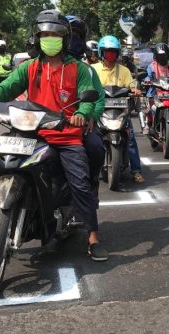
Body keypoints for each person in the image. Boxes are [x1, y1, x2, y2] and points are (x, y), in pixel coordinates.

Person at [0, 9, 108, 261]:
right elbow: (8, 86)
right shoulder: (30, 68)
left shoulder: (78, 69)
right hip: (33, 133)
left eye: (55, 34)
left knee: (80, 183)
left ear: (64, 39)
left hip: (66, 136)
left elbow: (89, 96)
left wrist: (82, 113)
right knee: (4, 161)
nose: (49, 39)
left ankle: (92, 236)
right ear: (36, 38)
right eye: (44, 34)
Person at [93, 35, 146, 184]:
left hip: (120, 110)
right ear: (101, 52)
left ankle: (136, 171)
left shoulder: (124, 71)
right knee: (90, 136)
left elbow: (131, 85)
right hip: (100, 109)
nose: (110, 54)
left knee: (130, 138)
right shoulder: (93, 69)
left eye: (113, 51)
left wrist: (135, 89)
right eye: (107, 51)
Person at [66, 14, 106, 201]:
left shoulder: (87, 70)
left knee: (96, 147)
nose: (73, 39)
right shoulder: (41, 66)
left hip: (81, 125)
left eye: (77, 35)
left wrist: (91, 117)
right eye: (69, 34)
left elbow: (98, 97)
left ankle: (91, 187)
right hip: (48, 124)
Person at [144, 43, 169, 138]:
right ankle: (149, 124)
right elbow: (148, 76)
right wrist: (148, 81)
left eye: (164, 56)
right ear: (156, 56)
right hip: (154, 92)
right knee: (150, 108)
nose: (163, 58)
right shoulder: (151, 66)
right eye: (160, 56)